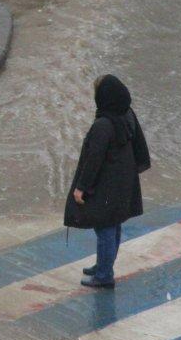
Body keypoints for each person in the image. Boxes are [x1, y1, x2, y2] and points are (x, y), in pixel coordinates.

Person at [64, 75, 151, 289]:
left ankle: (104, 275)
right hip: (122, 184)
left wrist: (81, 188)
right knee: (113, 224)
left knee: (104, 228)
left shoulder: (104, 124)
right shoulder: (127, 115)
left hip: (105, 186)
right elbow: (140, 147)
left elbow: (94, 158)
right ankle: (104, 265)